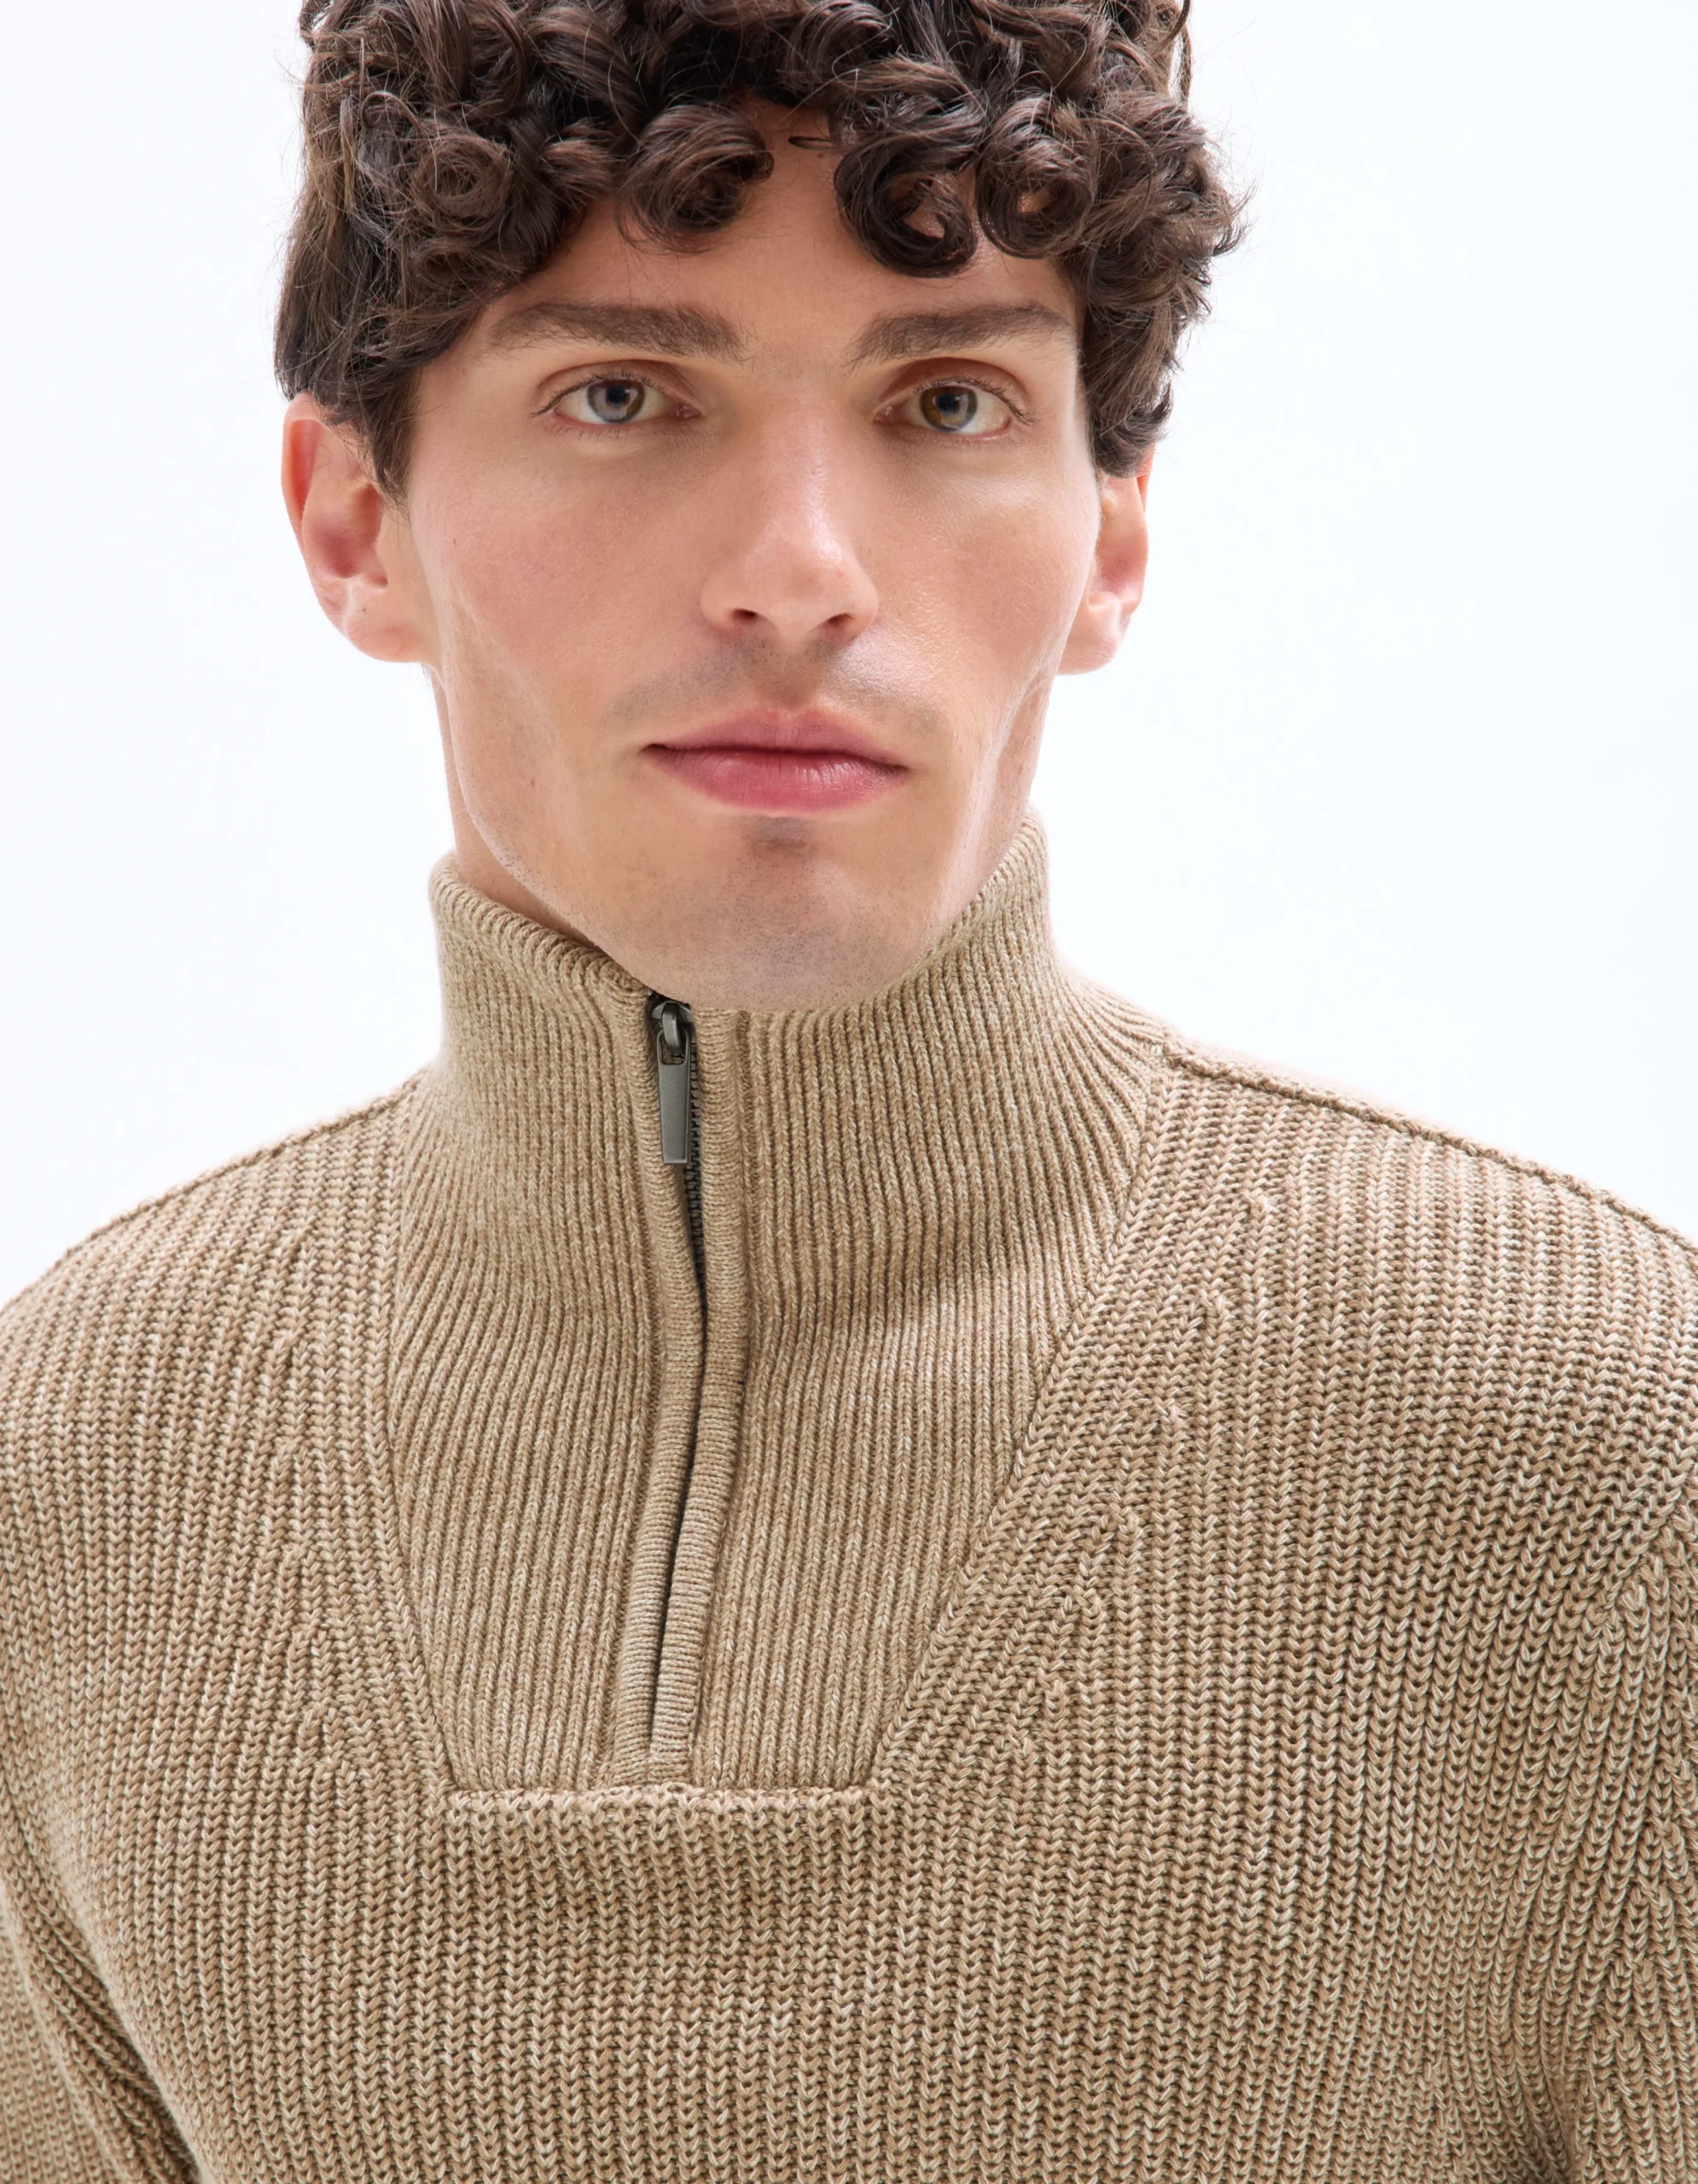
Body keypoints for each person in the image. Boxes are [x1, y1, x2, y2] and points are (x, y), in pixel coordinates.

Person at [1, 0, 1692, 2175]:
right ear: (353, 520)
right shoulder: (77, 1466)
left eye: (946, 400)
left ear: (1109, 532)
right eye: (623, 395)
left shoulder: (1593, 1448)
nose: (797, 569)